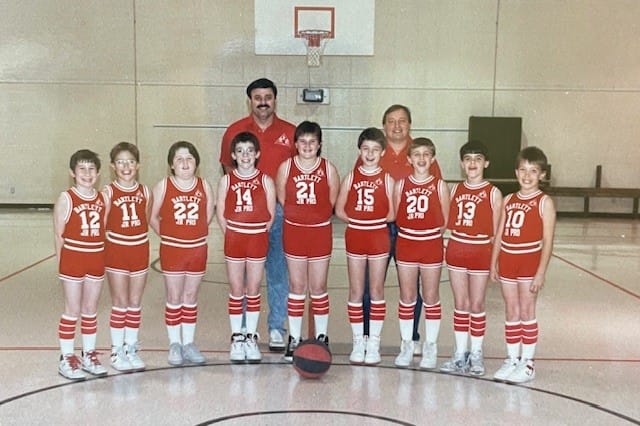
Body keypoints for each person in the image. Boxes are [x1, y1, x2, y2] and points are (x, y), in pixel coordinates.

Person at [220, 78, 296, 352]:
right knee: (241, 279)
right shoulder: (234, 131)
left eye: (268, 96)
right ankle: (242, 330)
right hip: (244, 218)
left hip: (279, 213)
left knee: (277, 272)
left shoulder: (290, 132)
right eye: (257, 97)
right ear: (250, 100)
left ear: (275, 100)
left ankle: (276, 327)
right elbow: (228, 173)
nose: (263, 101)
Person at [359, 105, 443, 353]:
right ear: (384, 125)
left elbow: (436, 194)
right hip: (378, 228)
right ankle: (365, 336)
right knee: (369, 286)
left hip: (410, 231)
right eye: (391, 121)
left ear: (410, 125)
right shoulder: (373, 149)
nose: (397, 126)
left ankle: (412, 338)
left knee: (411, 288)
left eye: (402, 121)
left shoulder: (420, 152)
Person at [490, 146, 556, 383]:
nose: (527, 176)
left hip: (529, 260)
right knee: (511, 310)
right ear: (516, 172)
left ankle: (528, 363)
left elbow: (548, 241)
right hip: (508, 260)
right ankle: (512, 359)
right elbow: (499, 234)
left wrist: (541, 272)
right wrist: (493, 262)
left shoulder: (544, 202)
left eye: (533, 171)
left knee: (527, 311)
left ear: (542, 175)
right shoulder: (509, 199)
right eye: (523, 170)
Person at [275, 121, 340, 361]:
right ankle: (294, 338)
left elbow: (331, 201)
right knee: (297, 286)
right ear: (295, 144)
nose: (307, 146)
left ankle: (322, 336)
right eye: (302, 141)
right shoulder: (286, 167)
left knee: (319, 287)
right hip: (294, 231)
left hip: (320, 232)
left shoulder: (328, 168)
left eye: (312, 141)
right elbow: (283, 198)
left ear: (319, 144)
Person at [439, 140, 502, 376]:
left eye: (478, 159)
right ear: (462, 164)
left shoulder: (493, 193)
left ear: (486, 163)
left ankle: (476, 353)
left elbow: (497, 233)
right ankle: (459, 353)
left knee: (477, 304)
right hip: (457, 247)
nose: (473, 163)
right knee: (460, 304)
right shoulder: (454, 190)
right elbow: (445, 224)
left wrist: (494, 262)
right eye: (468, 159)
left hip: (480, 250)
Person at [150, 141, 215, 366]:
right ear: (171, 165)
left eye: (189, 158)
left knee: (190, 298)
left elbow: (207, 216)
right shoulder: (163, 186)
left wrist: (192, 235)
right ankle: (174, 344)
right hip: (173, 250)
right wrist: (168, 235)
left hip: (197, 249)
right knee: (174, 297)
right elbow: (152, 217)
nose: (185, 163)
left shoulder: (204, 186)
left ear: (196, 162)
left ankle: (188, 343)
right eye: (179, 159)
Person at [335, 127, 395, 365]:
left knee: (377, 290)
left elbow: (391, 213)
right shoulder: (351, 177)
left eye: (375, 150)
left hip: (379, 236)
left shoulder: (388, 179)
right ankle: (358, 340)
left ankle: (374, 342)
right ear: (359, 150)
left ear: (382, 152)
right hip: (356, 236)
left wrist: (372, 221)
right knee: (356, 290)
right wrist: (358, 220)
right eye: (366, 149)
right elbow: (339, 209)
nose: (370, 154)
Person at [216, 132, 275, 363]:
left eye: (250, 150)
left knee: (253, 289)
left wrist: (257, 231)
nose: (245, 155)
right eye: (240, 151)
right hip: (235, 238)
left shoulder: (266, 181)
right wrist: (231, 233)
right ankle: (236, 337)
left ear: (257, 154)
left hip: (257, 238)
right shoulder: (226, 180)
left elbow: (270, 215)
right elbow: (221, 212)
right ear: (233, 155)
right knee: (236, 288)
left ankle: (250, 336)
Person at [392, 138, 450, 369]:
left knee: (431, 297)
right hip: (406, 243)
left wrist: (427, 232)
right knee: (407, 297)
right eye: (417, 154)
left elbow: (444, 221)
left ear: (433, 159)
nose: (422, 159)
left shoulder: (439, 185)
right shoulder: (401, 185)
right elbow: (397, 214)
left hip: (430, 244)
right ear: (409, 159)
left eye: (426, 154)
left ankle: (430, 346)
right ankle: (407, 344)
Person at [54, 149, 109, 380]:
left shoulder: (102, 198)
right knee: (72, 310)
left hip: (96, 258)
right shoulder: (67, 198)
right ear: (72, 173)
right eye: (82, 169)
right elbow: (59, 235)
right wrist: (61, 266)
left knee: (90, 310)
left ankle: (89, 354)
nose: (87, 173)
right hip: (73, 258)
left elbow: (103, 230)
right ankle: (66, 357)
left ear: (97, 173)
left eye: (91, 169)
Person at [103, 142, 152, 372]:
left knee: (134, 303)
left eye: (130, 161)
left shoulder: (145, 192)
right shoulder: (108, 192)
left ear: (138, 165)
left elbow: (147, 219)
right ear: (113, 166)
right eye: (120, 162)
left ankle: (131, 347)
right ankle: (116, 350)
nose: (126, 166)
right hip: (117, 251)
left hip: (139, 250)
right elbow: (102, 226)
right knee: (120, 303)